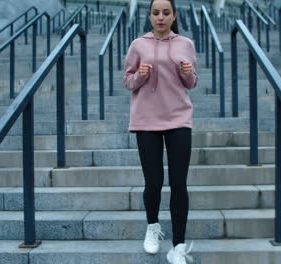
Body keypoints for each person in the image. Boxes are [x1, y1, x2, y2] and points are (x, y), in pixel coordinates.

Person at [123, 0, 198, 263]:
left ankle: (177, 246)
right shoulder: (138, 44)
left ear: (174, 15)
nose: (161, 17)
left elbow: (192, 82)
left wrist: (187, 72)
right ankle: (152, 227)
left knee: (179, 183)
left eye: (166, 13)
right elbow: (128, 81)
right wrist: (140, 75)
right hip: (146, 120)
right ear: (150, 16)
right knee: (153, 182)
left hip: (178, 117)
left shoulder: (185, 44)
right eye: (156, 13)